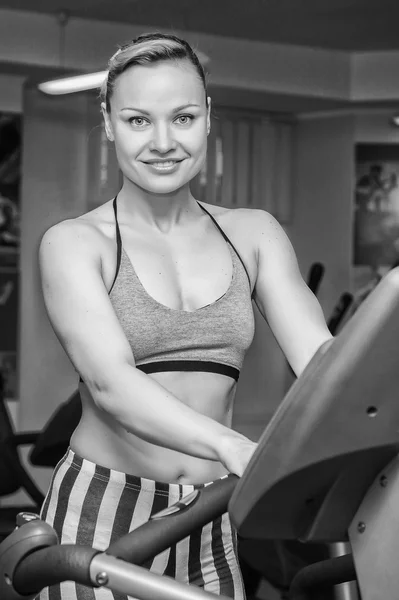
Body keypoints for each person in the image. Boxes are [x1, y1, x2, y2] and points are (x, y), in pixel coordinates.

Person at [37, 33, 332, 600]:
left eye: (183, 117)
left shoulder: (254, 233)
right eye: (138, 120)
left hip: (209, 514)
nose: (164, 142)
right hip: (103, 512)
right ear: (108, 124)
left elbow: (322, 362)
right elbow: (111, 383)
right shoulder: (76, 243)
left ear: (208, 118)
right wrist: (231, 445)